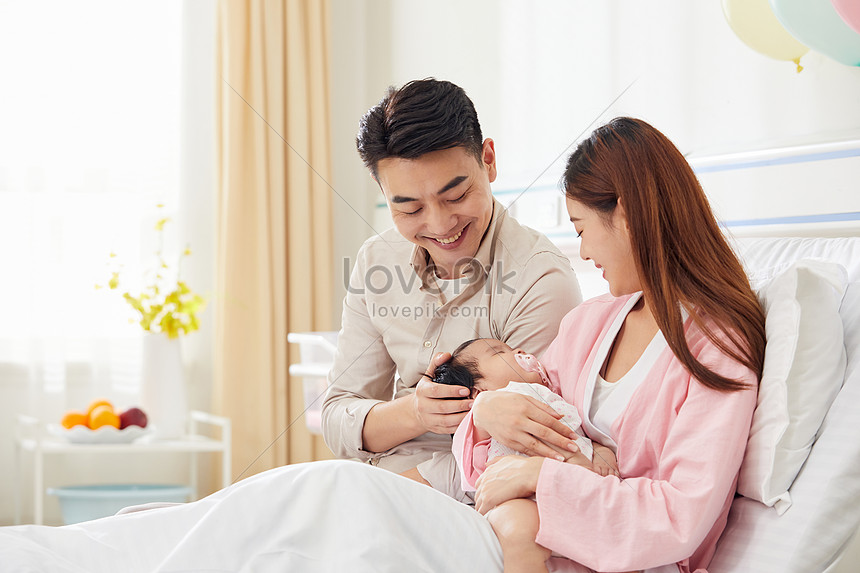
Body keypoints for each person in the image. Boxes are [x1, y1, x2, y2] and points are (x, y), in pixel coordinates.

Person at [452, 117, 767, 573]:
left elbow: (680, 515)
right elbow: (521, 412)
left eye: (581, 229)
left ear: (625, 215)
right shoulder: (588, 324)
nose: (581, 253)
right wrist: (484, 415)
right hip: (534, 540)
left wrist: (544, 478)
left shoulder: (718, 349)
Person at [321, 78, 582, 500]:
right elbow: (336, 417)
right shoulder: (376, 260)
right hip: (367, 485)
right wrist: (418, 412)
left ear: (489, 160)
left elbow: (527, 441)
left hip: (464, 500)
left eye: (456, 195)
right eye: (410, 208)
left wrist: (391, 494)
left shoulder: (540, 280)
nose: (441, 226)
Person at [403, 337, 620, 573]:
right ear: (477, 391)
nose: (518, 350)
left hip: (577, 495)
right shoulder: (487, 414)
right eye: (499, 353)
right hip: (523, 502)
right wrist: (482, 407)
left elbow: (581, 435)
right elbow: (472, 438)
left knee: (615, 531)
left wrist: (601, 452)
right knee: (515, 524)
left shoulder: (555, 397)